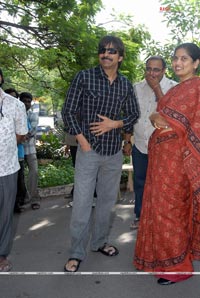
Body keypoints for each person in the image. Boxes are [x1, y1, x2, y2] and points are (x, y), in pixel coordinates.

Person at [62, 35, 139, 272]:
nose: (106, 54)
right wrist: (82, 141)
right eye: (103, 50)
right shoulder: (84, 77)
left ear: (120, 57)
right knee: (83, 204)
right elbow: (68, 111)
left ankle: (99, 242)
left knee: (107, 202)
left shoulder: (126, 84)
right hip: (89, 151)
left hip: (114, 152)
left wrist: (114, 125)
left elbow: (134, 115)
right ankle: (76, 252)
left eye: (112, 51)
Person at [133, 42, 200, 285]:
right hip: (161, 160)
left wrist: (157, 117)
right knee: (158, 209)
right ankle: (162, 259)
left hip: (178, 162)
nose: (178, 63)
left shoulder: (196, 87)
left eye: (184, 59)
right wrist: (155, 117)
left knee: (170, 212)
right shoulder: (176, 90)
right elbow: (159, 118)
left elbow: (173, 121)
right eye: (175, 58)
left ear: (195, 63)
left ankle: (178, 268)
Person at [127, 56, 177, 230]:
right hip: (140, 144)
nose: (152, 73)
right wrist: (127, 140)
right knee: (141, 182)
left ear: (164, 71)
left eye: (156, 70)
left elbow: (170, 114)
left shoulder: (173, 88)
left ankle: (160, 219)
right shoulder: (136, 88)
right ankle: (140, 216)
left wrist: (156, 89)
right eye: (149, 69)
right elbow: (131, 115)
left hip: (163, 147)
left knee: (162, 184)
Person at [0, 69, 28, 271]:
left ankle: (1, 255)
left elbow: (20, 134)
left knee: (4, 215)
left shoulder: (15, 105)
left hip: (7, 168)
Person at [4, 88, 27, 213]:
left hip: (14, 158)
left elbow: (22, 134)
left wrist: (9, 145)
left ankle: (17, 203)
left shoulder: (17, 107)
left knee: (19, 181)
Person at [19, 92, 40, 210]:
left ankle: (34, 199)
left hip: (30, 149)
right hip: (18, 150)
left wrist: (20, 138)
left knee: (34, 172)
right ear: (19, 101)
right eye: (24, 101)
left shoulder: (33, 115)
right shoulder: (14, 113)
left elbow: (32, 131)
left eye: (28, 101)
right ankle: (24, 197)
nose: (26, 103)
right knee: (19, 176)